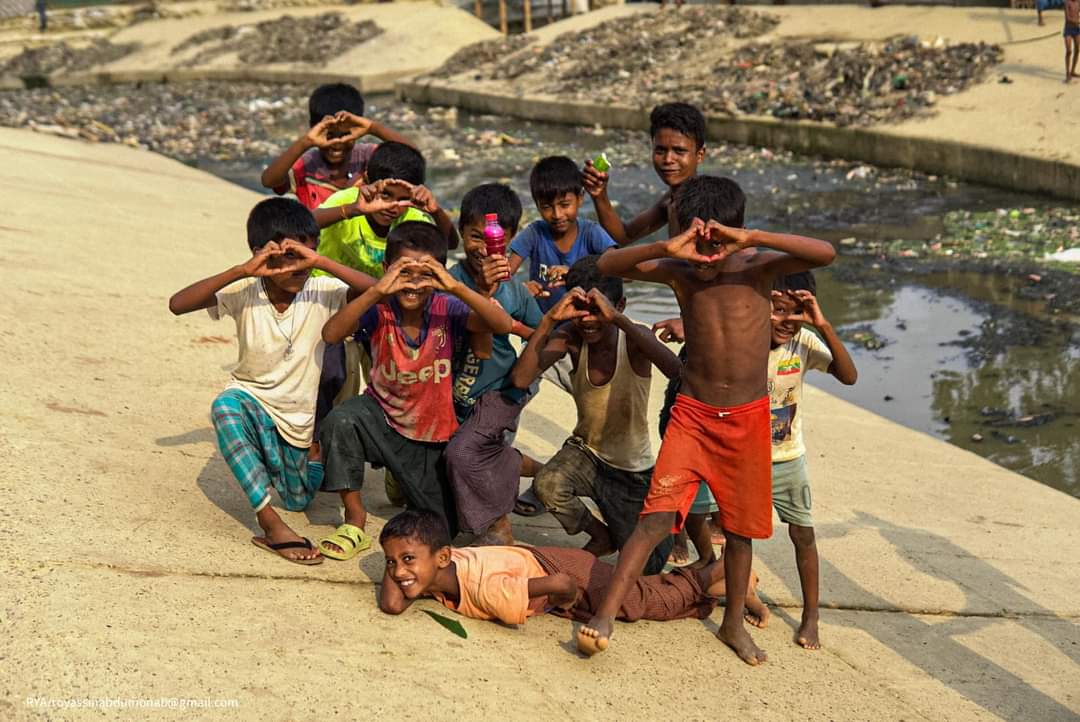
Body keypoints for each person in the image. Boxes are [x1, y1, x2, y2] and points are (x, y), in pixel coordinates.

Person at [585, 175, 836, 664]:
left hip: (746, 420)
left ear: (735, 231)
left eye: (719, 238)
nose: (709, 250)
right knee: (656, 517)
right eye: (701, 238)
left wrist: (752, 239)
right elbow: (608, 262)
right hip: (694, 417)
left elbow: (823, 252)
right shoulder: (680, 269)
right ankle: (605, 614)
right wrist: (669, 244)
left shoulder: (758, 265)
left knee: (740, 531)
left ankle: (732, 625)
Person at [167, 196, 402, 565]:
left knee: (298, 498)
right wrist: (242, 270)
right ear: (263, 254)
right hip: (252, 401)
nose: (300, 268)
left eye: (307, 256)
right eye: (290, 257)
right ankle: (271, 524)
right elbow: (178, 304)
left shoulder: (322, 291)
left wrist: (320, 262)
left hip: (297, 426)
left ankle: (309, 455)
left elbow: (382, 289)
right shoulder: (245, 292)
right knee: (225, 407)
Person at [317, 222, 513, 547]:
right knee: (341, 420)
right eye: (404, 272)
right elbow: (331, 334)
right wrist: (379, 289)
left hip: (430, 435)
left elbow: (501, 324)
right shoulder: (380, 308)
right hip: (380, 417)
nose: (413, 283)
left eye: (424, 274)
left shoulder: (446, 308)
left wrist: (453, 286)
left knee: (443, 529)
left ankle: (400, 476)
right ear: (387, 270)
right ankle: (354, 519)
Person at [509, 255, 682, 575]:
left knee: (650, 564)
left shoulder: (633, 339)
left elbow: (676, 371)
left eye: (596, 310)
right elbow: (520, 380)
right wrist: (549, 320)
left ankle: (663, 521)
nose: (587, 320)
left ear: (619, 305)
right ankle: (601, 535)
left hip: (632, 471)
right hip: (586, 454)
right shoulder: (570, 340)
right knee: (548, 484)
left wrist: (617, 319)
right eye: (580, 309)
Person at [376, 510, 769, 642]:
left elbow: (562, 585)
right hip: (542, 561)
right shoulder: (440, 570)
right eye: (391, 563)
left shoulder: (486, 588)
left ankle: (724, 573)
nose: (399, 572)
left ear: (443, 556)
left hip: (566, 571)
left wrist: (567, 603)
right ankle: (721, 582)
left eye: (408, 559)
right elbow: (393, 605)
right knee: (643, 594)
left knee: (643, 602)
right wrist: (401, 566)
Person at [443, 184, 544, 545]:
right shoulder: (450, 281)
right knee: (457, 458)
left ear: (511, 240)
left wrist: (525, 374)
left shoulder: (513, 289)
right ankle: (541, 473)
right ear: (460, 232)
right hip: (455, 389)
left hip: (499, 390)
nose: (484, 249)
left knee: (473, 453)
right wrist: (484, 296)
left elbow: (538, 333)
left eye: (496, 241)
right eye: (475, 237)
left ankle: (498, 525)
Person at [767, 272, 857, 649]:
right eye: (778, 310)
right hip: (741, 455)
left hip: (787, 457)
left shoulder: (803, 340)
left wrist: (821, 324)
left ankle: (811, 615)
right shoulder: (743, 336)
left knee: (803, 534)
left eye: (797, 312)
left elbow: (849, 376)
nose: (787, 320)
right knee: (725, 529)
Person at [260, 83, 414, 210]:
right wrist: (305, 142)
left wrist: (373, 128)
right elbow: (269, 180)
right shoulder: (306, 167)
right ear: (314, 129)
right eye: (329, 135)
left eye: (344, 135)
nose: (337, 143)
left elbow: (412, 159)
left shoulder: (370, 157)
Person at [583, 102, 706, 245]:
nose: (668, 160)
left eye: (679, 151)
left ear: (700, 155)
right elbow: (623, 236)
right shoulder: (671, 199)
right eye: (660, 150)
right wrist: (599, 195)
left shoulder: (704, 202)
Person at [508, 156, 617, 313]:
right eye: (546, 207)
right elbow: (504, 275)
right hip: (543, 323)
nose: (557, 215)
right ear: (537, 205)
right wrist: (521, 289)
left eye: (564, 205)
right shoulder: (534, 233)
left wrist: (575, 273)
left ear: (580, 198)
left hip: (584, 320)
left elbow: (620, 271)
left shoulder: (591, 233)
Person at [1065, 0, 1079, 82]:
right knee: (1069, 51)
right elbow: (1068, 18)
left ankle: (1072, 71)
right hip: (1068, 29)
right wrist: (1077, 21)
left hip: (1076, 29)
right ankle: (1067, 73)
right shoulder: (1067, 2)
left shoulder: (1078, 2)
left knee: (1077, 50)